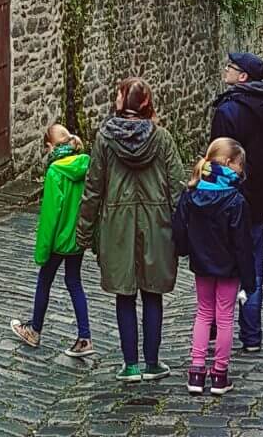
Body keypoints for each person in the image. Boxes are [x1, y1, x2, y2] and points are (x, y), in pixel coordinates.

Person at [77, 77, 185, 384]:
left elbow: (93, 189)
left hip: (117, 225)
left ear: (125, 102)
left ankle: (130, 365)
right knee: (153, 294)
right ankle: (152, 362)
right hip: (157, 224)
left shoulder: (105, 138)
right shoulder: (162, 138)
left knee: (125, 296)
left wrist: (83, 233)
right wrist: (184, 231)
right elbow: (177, 187)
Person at [210, 52, 263, 354]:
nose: (226, 70)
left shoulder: (228, 111)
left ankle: (217, 328)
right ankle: (251, 335)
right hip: (257, 203)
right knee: (253, 269)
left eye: (231, 68)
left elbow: (217, 159)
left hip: (229, 199)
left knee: (221, 265)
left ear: (242, 77)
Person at [172, 137, 258, 396]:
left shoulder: (192, 192)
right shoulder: (235, 201)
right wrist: (249, 277)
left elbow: (179, 227)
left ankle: (196, 371)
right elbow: (243, 244)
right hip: (229, 268)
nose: (242, 172)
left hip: (202, 265)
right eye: (240, 166)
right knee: (224, 319)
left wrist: (187, 250)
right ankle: (219, 375)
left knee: (203, 314)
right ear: (230, 163)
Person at [9, 123, 93, 356]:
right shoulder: (85, 164)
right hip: (77, 238)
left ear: (49, 146)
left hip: (58, 241)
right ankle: (85, 337)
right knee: (74, 282)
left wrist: (42, 251)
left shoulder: (55, 171)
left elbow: (50, 217)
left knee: (44, 281)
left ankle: (34, 330)